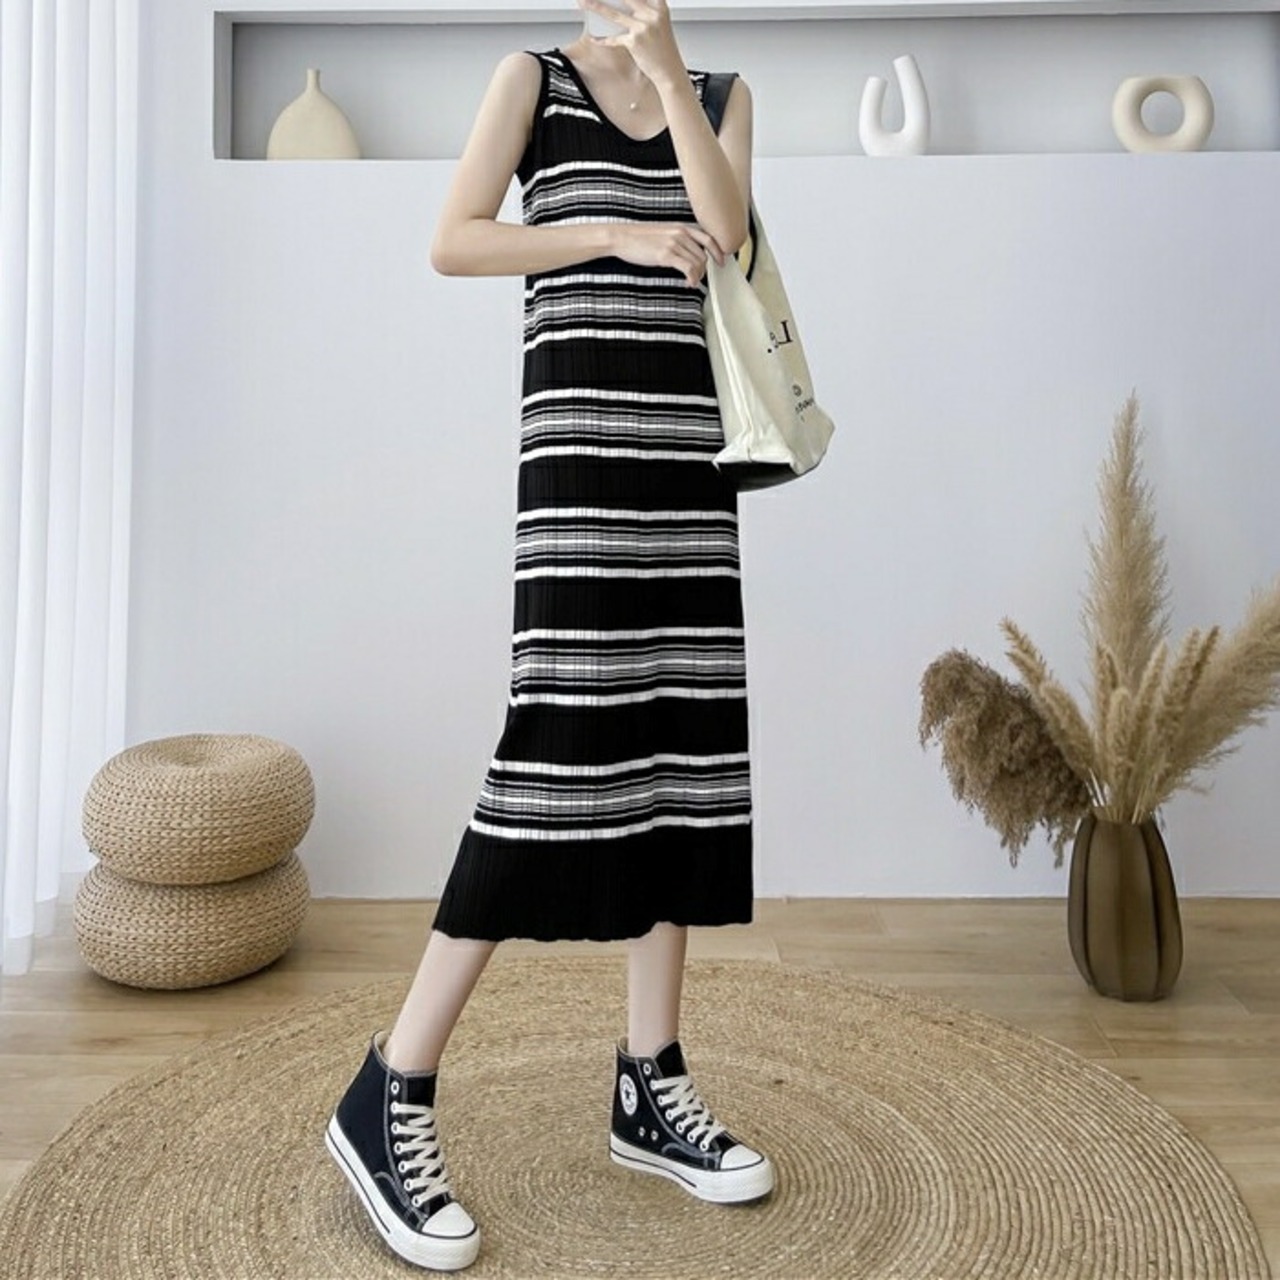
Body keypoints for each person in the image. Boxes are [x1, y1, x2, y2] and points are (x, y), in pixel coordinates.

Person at [323, 0, 770, 1269]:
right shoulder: (529, 78)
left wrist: (670, 78)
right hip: (578, 463)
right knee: (554, 749)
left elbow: (730, 236)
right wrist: (612, 233)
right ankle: (390, 1086)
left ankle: (649, 1079)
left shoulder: (721, 92)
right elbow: (454, 241)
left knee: (679, 746)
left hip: (688, 468)